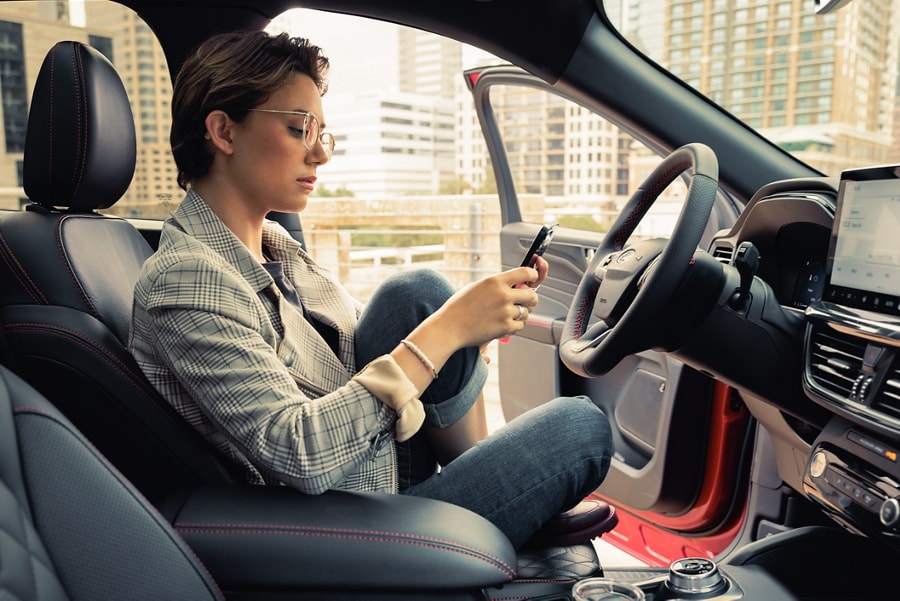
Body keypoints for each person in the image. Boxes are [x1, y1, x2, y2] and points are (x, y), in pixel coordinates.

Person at [129, 29, 612, 550]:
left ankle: (486, 494)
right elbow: (299, 453)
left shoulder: (275, 247)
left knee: (418, 291)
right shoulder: (186, 279)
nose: (320, 155)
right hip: (332, 522)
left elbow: (379, 345)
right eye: (298, 129)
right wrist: (449, 331)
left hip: (369, 466)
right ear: (223, 132)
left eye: (322, 134)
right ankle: (487, 513)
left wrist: (470, 324)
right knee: (579, 428)